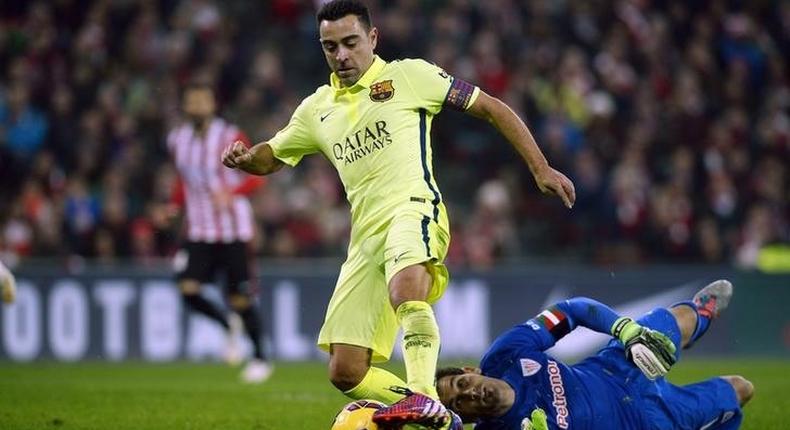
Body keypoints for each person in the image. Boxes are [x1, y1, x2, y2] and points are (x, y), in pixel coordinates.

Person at [222, 0, 574, 427]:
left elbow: (492, 107)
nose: (341, 55)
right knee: (346, 371)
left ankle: (426, 397)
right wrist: (246, 158)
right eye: (330, 47)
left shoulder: (408, 76)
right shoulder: (316, 110)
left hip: (414, 209)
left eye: (350, 43)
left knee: (408, 288)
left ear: (372, 38)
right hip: (365, 237)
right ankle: (443, 415)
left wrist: (540, 167)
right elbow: (273, 156)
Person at [436, 280, 754, 429]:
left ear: (470, 370)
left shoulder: (506, 353)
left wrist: (625, 330)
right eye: (458, 405)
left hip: (615, 367)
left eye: (461, 384)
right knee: (741, 388)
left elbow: (571, 311)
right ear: (467, 420)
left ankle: (701, 315)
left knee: (677, 321)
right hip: (644, 422)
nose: (469, 394)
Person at [166, 81, 272, 383]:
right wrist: (173, 206)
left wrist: (232, 191)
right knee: (187, 289)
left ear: (213, 105)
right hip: (198, 229)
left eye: (203, 100)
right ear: (186, 106)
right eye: (193, 101)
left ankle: (261, 357)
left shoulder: (230, 136)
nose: (198, 106)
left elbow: (257, 177)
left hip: (233, 231)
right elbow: (182, 180)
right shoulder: (177, 139)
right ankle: (228, 325)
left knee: (240, 298)